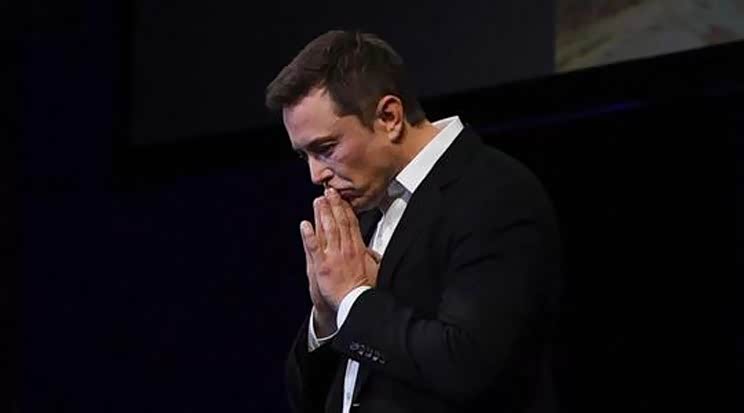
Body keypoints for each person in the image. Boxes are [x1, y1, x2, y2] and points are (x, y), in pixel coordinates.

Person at [265, 30, 562, 413]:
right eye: (303, 156)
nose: (315, 174)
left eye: (325, 148)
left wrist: (353, 300)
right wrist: (327, 316)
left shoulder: (493, 191)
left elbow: (467, 363)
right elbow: (313, 397)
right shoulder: (367, 209)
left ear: (389, 117)